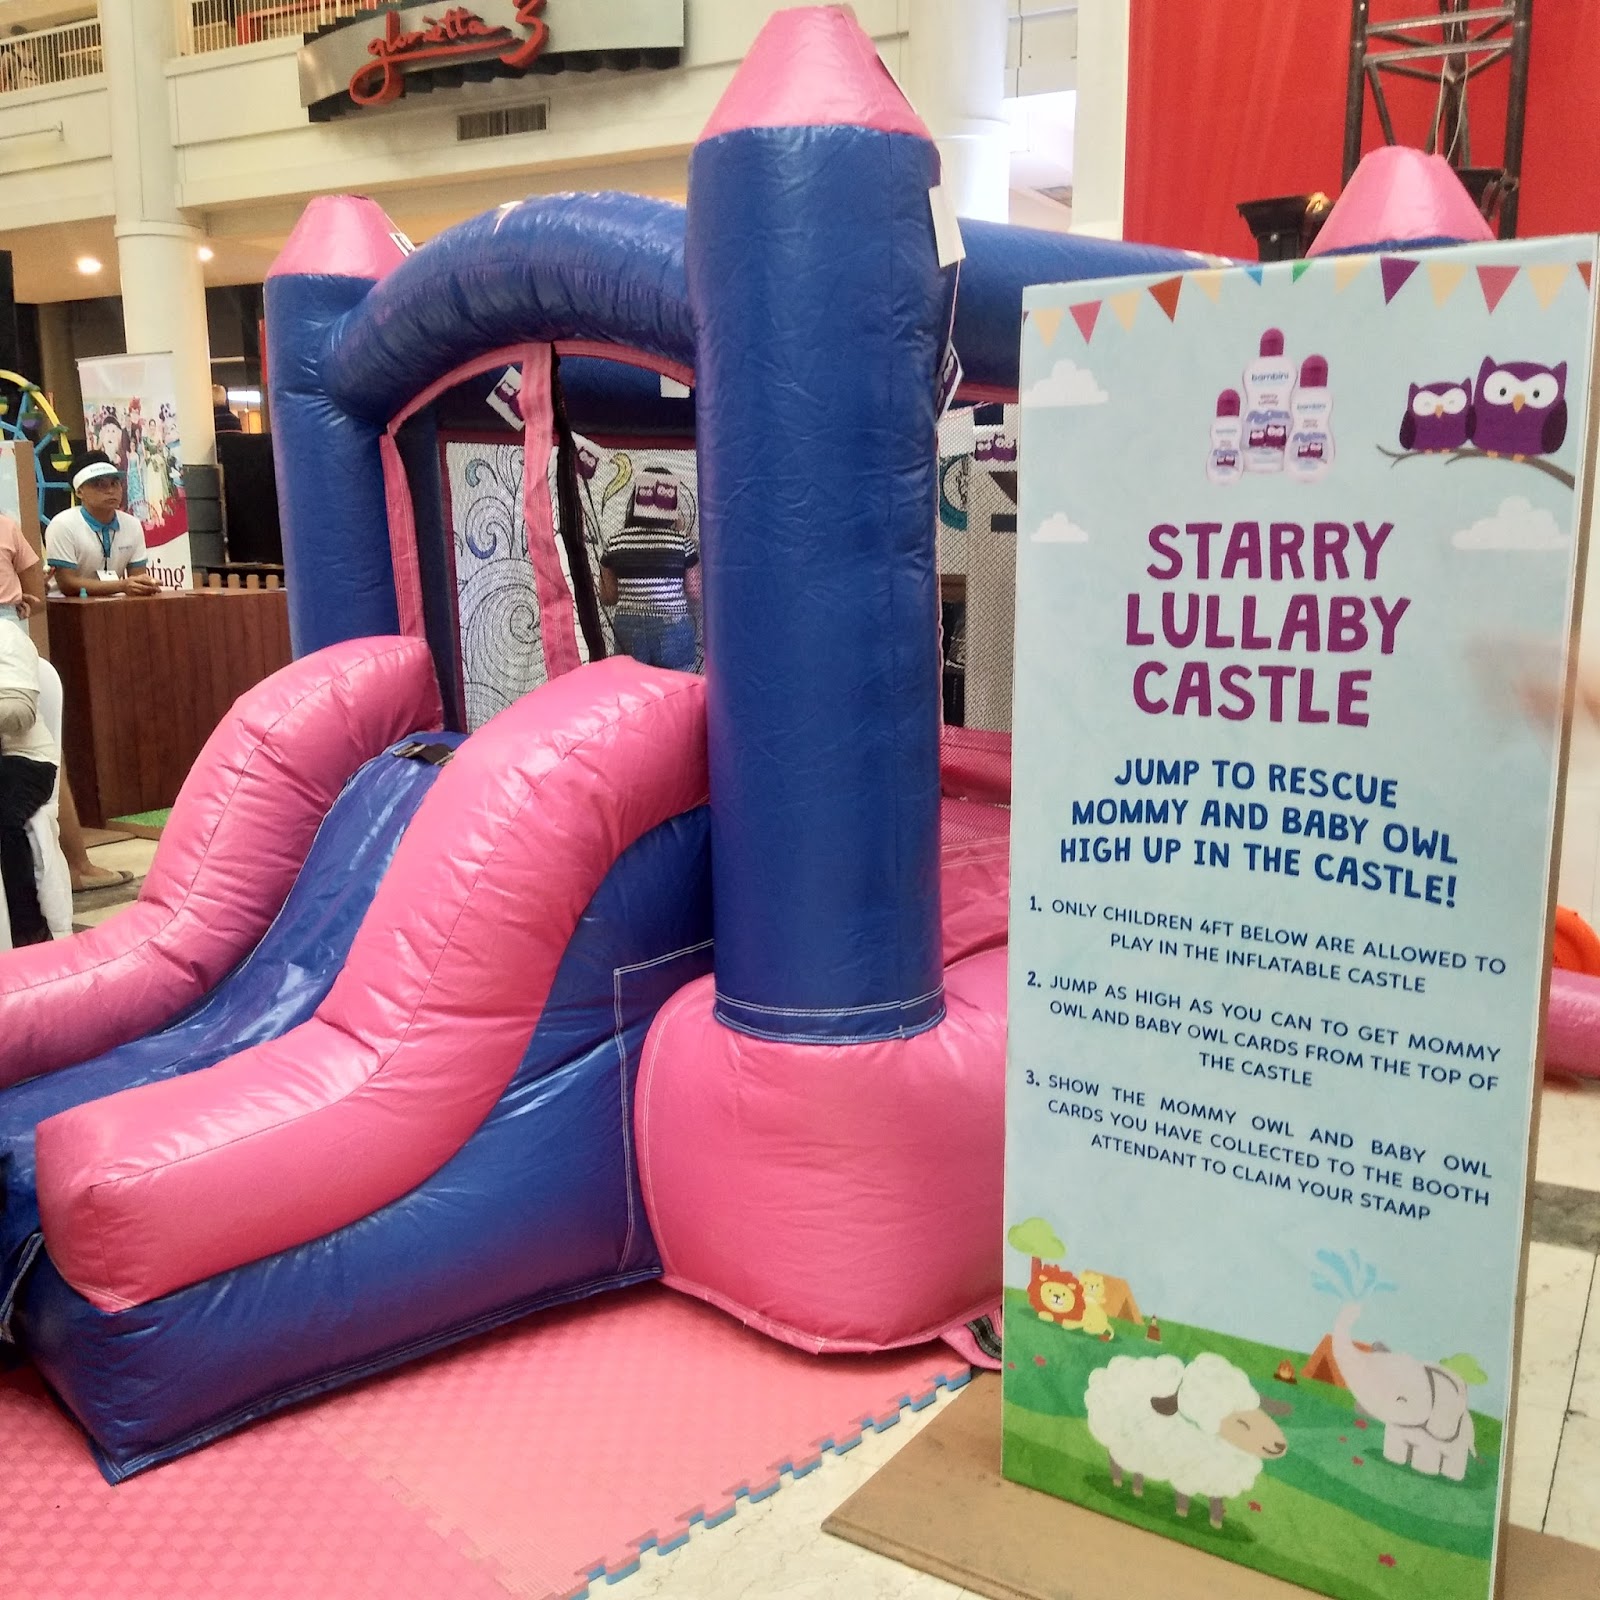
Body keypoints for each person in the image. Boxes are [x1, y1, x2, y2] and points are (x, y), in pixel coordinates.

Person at [598, 466, 702, 672]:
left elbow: (608, 597)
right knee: (678, 688)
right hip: (673, 625)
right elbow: (695, 592)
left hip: (628, 628)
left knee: (632, 687)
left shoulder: (616, 542)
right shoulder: (681, 542)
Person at [0, 619, 58, 944]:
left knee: (4, 819)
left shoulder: (7, 635)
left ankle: (27, 928)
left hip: (26, 760)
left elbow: (21, 713)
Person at [44, 453, 161, 599]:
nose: (110, 491)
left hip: (115, 603)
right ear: (79, 492)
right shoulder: (62, 525)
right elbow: (68, 584)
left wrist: (145, 585)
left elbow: (138, 577)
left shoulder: (132, 524)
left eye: (115, 483)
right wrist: (121, 586)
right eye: (99, 485)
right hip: (66, 605)